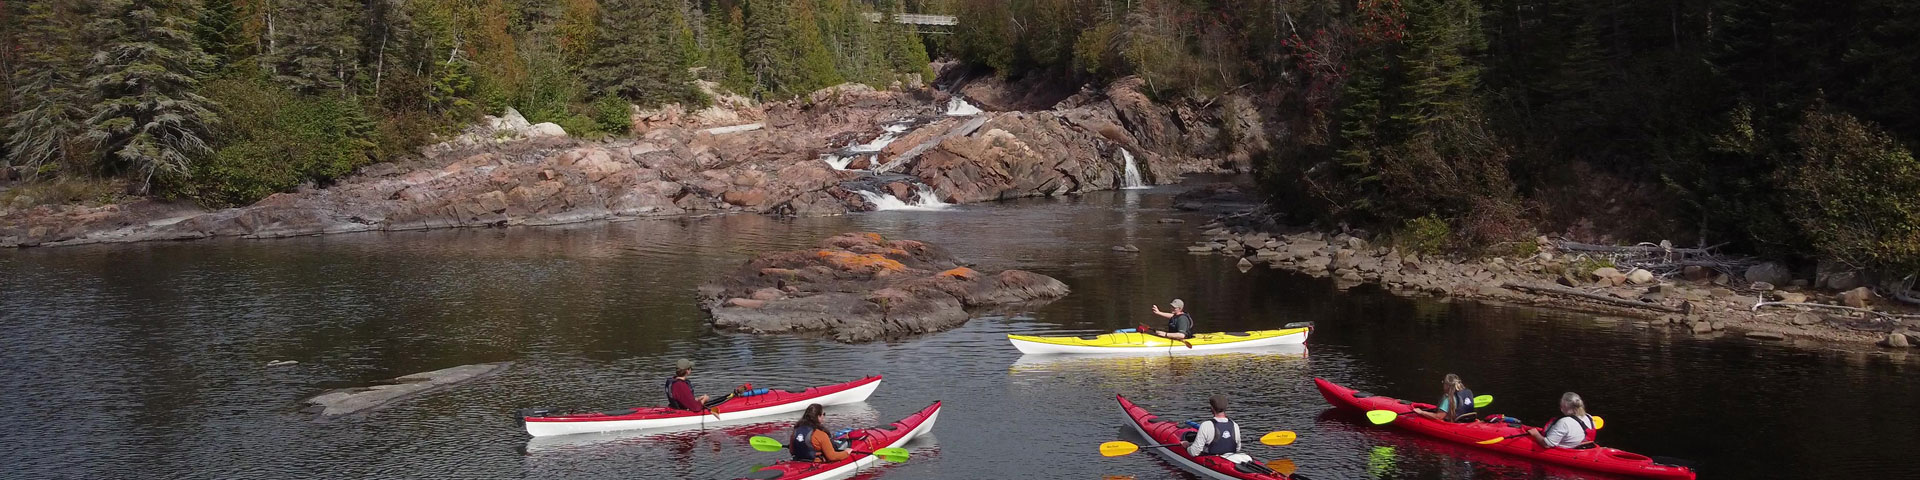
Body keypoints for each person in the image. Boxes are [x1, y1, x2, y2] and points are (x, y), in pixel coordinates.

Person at [1183, 395, 1246, 460]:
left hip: (1211, 462)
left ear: (1212, 408)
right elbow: (1237, 449)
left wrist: (1187, 446)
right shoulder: (1235, 425)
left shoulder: (1206, 425)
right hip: (1230, 459)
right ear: (1226, 408)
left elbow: (1194, 452)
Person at [1527, 392, 1597, 449]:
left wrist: (1535, 434)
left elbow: (1547, 445)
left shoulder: (1564, 422)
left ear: (1564, 406)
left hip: (1565, 451)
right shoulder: (1589, 417)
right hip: (1582, 448)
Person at [1413, 374, 1478, 423]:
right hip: (1468, 421)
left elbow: (1438, 417)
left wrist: (1421, 412)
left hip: (1454, 424)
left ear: (1447, 385)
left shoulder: (1448, 398)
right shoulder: (1466, 394)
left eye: (1443, 383)